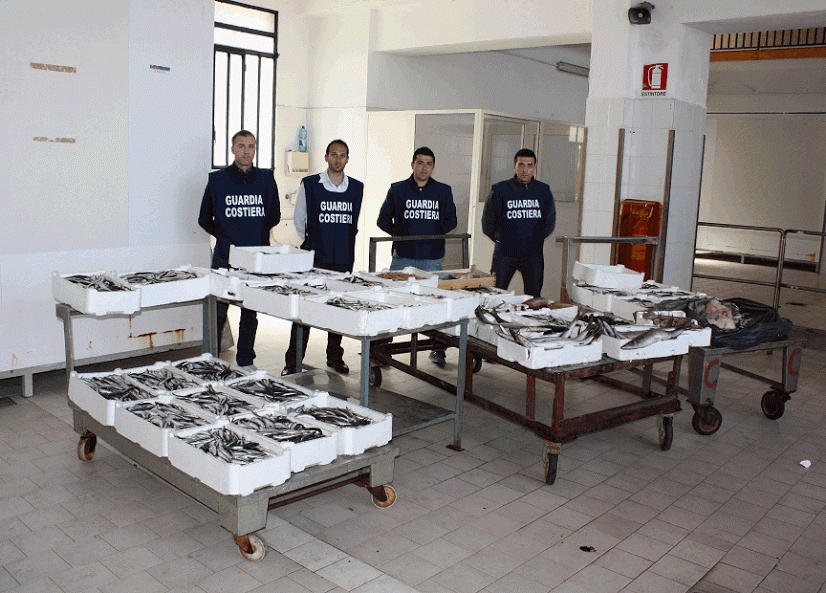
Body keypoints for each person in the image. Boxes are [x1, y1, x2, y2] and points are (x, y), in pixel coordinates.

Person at [198, 130, 280, 369]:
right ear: (232, 149)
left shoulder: (266, 178)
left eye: (251, 146)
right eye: (241, 146)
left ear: (255, 150)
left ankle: (246, 360)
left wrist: (255, 234)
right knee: (218, 311)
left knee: (250, 311)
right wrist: (226, 235)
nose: (246, 151)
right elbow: (204, 219)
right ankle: (211, 361)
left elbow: (274, 215)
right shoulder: (218, 180)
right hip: (225, 256)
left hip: (255, 258)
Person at [283, 139, 364, 376]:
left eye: (342, 155)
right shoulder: (310, 184)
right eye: (333, 154)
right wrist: (313, 242)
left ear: (347, 159)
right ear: (326, 157)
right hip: (315, 258)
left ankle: (334, 356)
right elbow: (299, 220)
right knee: (305, 310)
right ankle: (293, 361)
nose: (338, 159)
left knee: (338, 310)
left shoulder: (356, 187)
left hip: (343, 258)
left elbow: (353, 222)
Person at [377, 146, 457, 367]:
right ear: (412, 164)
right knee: (393, 302)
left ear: (433, 167)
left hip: (431, 259)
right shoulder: (398, 189)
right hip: (403, 257)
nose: (424, 168)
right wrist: (400, 234)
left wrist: (434, 234)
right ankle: (384, 349)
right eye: (420, 163)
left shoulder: (443, 191)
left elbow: (452, 221)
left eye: (428, 163)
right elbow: (383, 219)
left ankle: (438, 349)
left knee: (436, 304)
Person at [481, 148, 555, 298]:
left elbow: (549, 221)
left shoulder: (543, 191)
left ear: (535, 168)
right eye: (521, 165)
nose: (525, 170)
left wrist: (535, 239)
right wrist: (501, 239)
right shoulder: (500, 190)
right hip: (505, 253)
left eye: (529, 165)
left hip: (533, 254)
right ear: (514, 166)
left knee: (533, 297)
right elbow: (488, 222)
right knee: (495, 294)